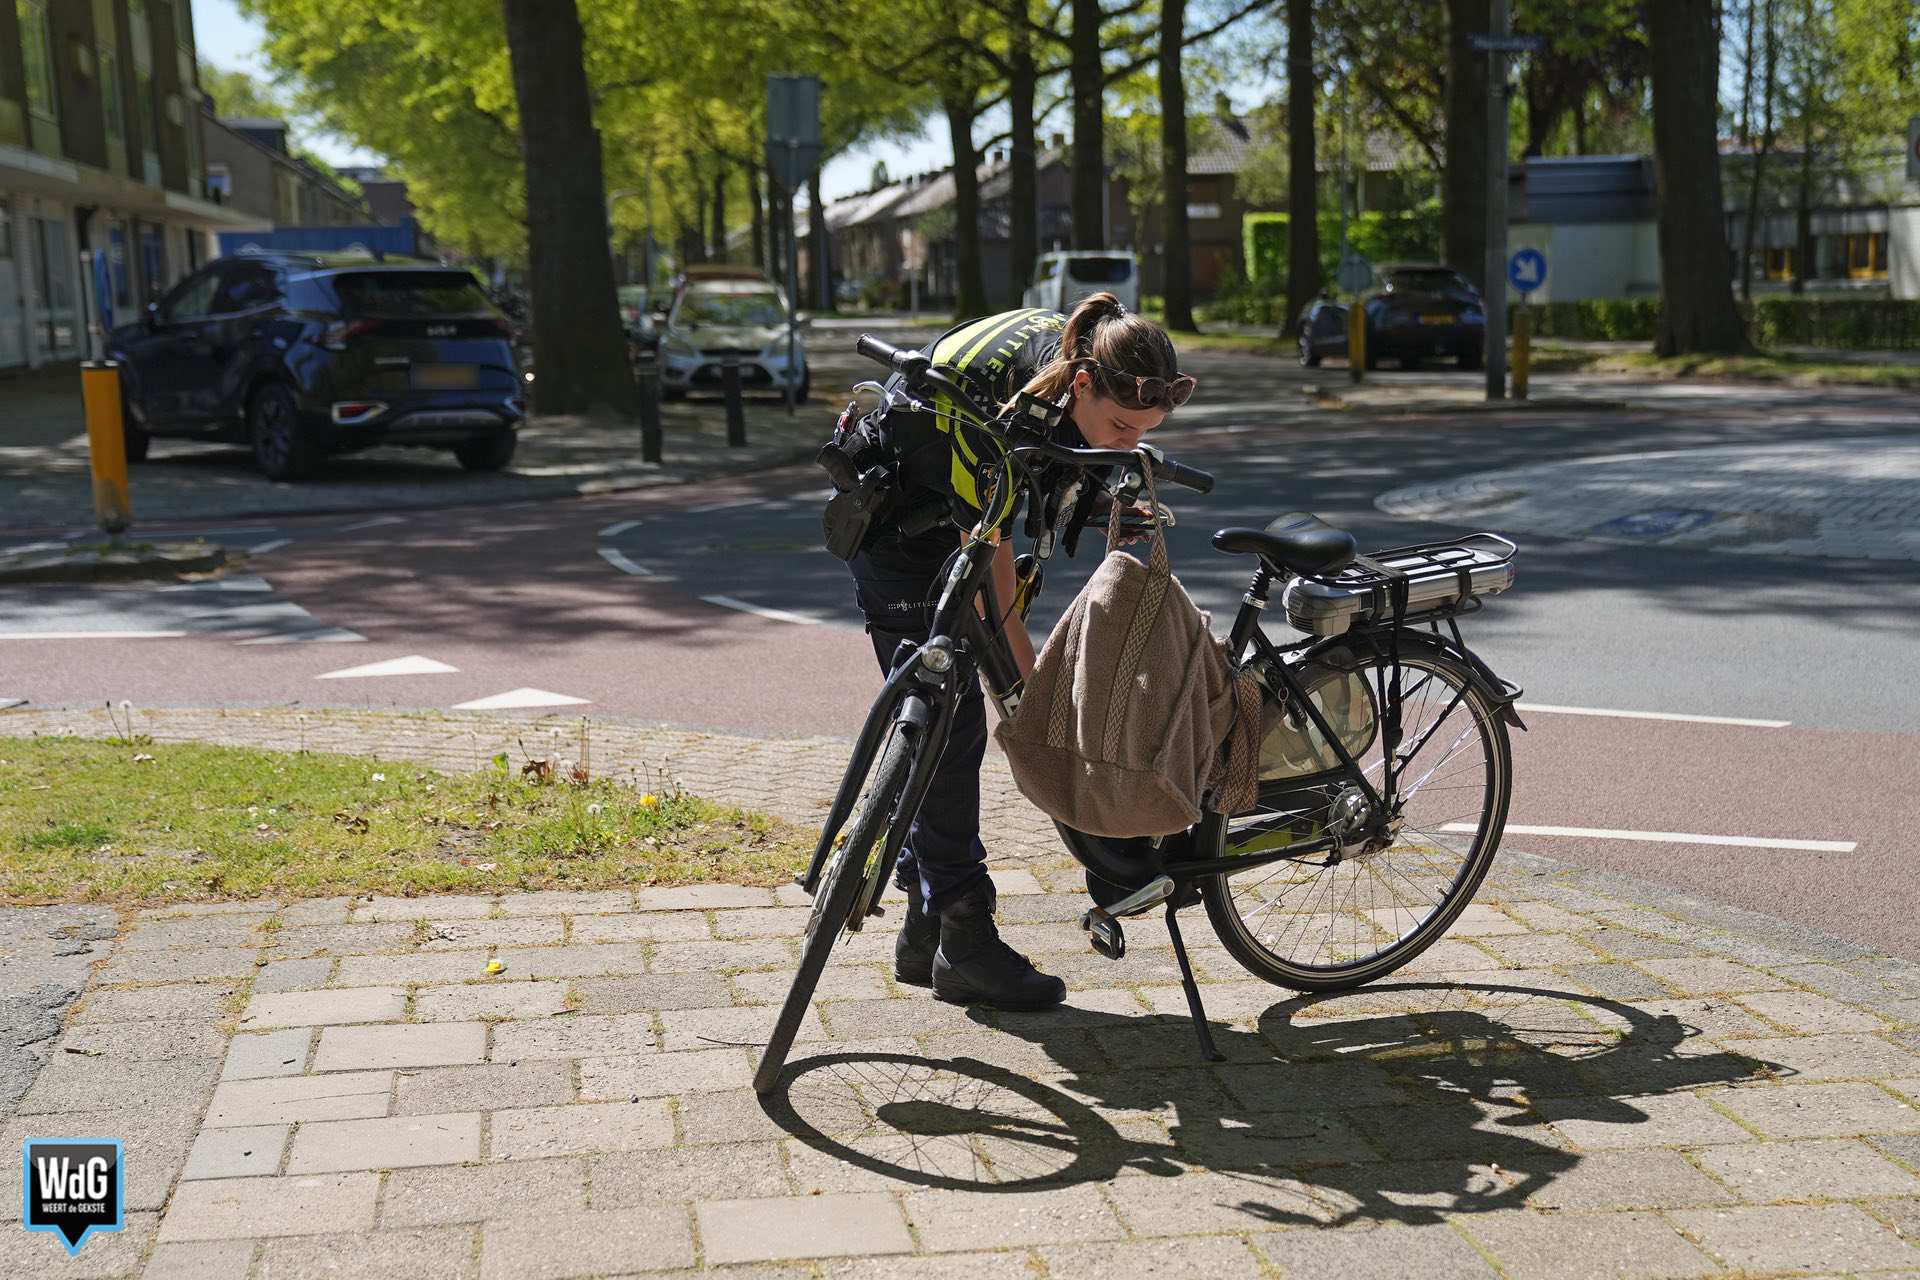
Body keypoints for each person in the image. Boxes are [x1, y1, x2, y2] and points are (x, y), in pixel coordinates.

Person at [839, 291, 1196, 1010]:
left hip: (963, 501)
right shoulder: (1009, 408)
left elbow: (1075, 476)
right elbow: (993, 570)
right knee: (948, 722)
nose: (1127, 442)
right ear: (1083, 385)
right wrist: (1030, 697)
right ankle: (965, 938)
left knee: (944, 726)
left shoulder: (1089, 367)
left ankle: (922, 922)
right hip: (899, 518)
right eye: (1121, 427)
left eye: (1145, 431)